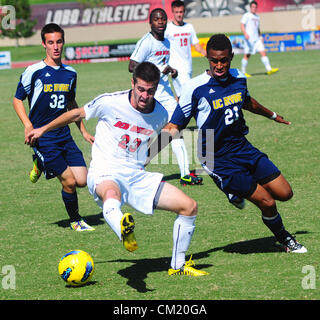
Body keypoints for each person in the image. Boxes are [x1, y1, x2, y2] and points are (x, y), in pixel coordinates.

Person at [26, 62, 209, 276]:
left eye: (150, 91)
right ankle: (123, 230)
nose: (144, 95)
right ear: (132, 83)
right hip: (106, 170)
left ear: (157, 88)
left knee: (189, 206)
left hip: (136, 174)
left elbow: (168, 133)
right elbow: (76, 114)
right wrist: (42, 129)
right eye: (140, 89)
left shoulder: (160, 113)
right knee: (111, 193)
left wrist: (147, 158)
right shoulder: (110, 102)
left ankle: (177, 266)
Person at [151, 34, 307, 253]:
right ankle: (286, 239)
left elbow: (248, 102)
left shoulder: (239, 78)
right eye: (214, 60)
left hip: (242, 147)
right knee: (268, 202)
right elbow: (174, 126)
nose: (219, 65)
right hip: (215, 157)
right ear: (207, 57)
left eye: (223, 60)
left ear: (231, 57)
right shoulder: (195, 88)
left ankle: (236, 188)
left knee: (285, 193)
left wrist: (272, 115)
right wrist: (145, 156)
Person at [13, 23, 95, 232]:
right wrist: (28, 125)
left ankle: (39, 164)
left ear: (63, 43)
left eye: (59, 42)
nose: (55, 46)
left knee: (83, 180)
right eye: (51, 42)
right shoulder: (34, 71)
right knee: (68, 181)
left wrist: (83, 131)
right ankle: (76, 220)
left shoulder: (70, 73)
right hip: (42, 138)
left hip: (64, 136)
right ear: (44, 44)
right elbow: (17, 100)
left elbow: (72, 105)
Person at [128, 8, 202, 186]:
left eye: (163, 19)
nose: (160, 22)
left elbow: (161, 64)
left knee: (175, 128)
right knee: (146, 133)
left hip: (165, 93)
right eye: (156, 19)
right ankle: (134, 166)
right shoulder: (146, 42)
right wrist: (158, 71)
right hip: (150, 95)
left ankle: (184, 173)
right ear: (150, 23)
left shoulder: (167, 42)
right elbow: (132, 66)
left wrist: (170, 69)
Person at [165, 0, 207, 98]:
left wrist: (208, 55)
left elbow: (196, 45)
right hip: (176, 68)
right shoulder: (168, 29)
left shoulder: (189, 27)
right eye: (176, 12)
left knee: (181, 96)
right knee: (190, 93)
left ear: (184, 12)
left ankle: (175, 112)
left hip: (188, 66)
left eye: (181, 12)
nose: (179, 15)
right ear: (173, 12)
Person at [240, 1, 278, 77]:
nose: (254, 8)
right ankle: (243, 72)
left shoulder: (257, 17)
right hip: (249, 40)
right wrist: (245, 34)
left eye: (255, 7)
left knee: (263, 52)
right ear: (250, 7)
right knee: (247, 55)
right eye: (252, 7)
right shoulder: (246, 15)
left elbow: (257, 28)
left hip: (257, 39)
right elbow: (242, 24)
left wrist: (260, 37)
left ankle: (269, 69)